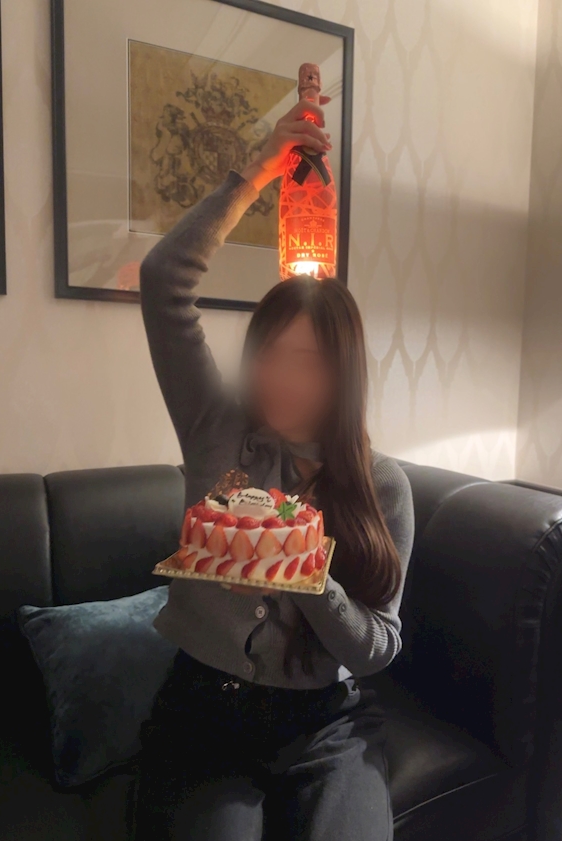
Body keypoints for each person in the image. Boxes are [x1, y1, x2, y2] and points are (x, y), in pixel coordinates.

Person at [134, 95, 414, 841]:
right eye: (273, 356)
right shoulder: (217, 428)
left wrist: (306, 574)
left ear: (343, 374)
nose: (285, 379)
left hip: (326, 724)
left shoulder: (383, 486)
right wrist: (255, 173)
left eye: (310, 361)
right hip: (204, 718)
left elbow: (378, 646)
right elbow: (163, 281)